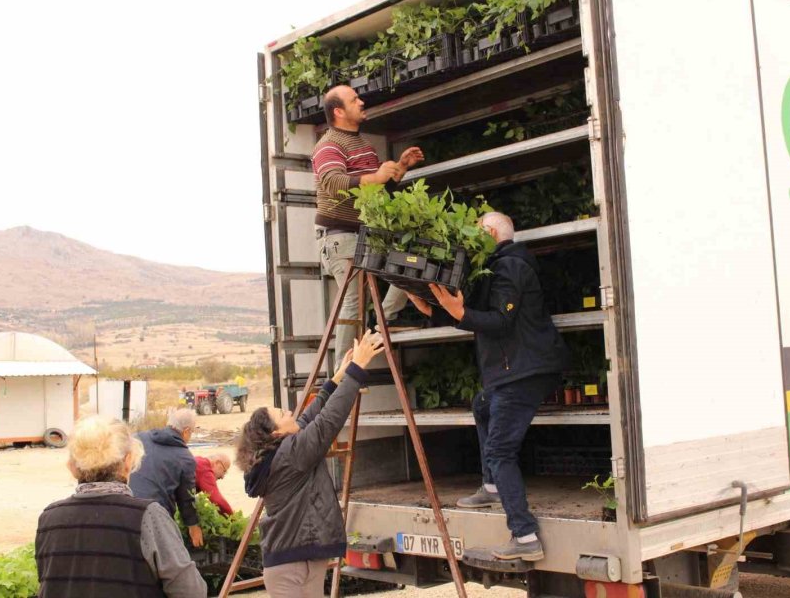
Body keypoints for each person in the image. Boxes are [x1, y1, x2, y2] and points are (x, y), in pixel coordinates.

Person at [406, 212, 567, 561]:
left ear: (491, 232)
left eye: (476, 229)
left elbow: (501, 319)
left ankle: (525, 537)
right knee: (481, 406)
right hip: (510, 372)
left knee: (500, 452)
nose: (469, 235)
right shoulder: (493, 267)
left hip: (523, 372)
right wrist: (434, 311)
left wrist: (459, 315)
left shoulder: (510, 267)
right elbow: (471, 310)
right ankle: (493, 486)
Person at [236, 330, 384, 598]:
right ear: (276, 434)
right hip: (289, 569)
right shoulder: (290, 454)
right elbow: (327, 423)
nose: (290, 411)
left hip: (298, 563)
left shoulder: (283, 450)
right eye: (282, 414)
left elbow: (307, 420)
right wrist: (357, 370)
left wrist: (336, 380)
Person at [312, 84, 426, 360]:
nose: (362, 102)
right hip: (340, 236)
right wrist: (376, 177)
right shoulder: (329, 145)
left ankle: (378, 327)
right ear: (339, 111)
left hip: (366, 235)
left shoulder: (363, 146)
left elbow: (375, 191)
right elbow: (333, 182)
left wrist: (399, 168)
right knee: (352, 302)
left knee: (408, 266)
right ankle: (341, 377)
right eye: (355, 100)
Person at [35, 415, 206, 598]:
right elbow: (191, 591)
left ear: (72, 467)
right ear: (128, 462)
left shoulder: (49, 519)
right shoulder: (148, 516)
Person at [129, 408, 203, 547]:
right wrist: (193, 526)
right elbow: (186, 499)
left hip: (125, 507)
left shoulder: (139, 438)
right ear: (186, 431)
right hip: (155, 518)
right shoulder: (185, 458)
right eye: (192, 432)